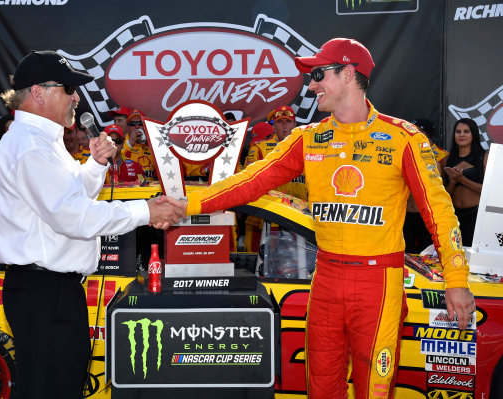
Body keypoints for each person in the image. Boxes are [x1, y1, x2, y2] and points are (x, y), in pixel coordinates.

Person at [177, 38, 474, 399]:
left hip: (379, 281)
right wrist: (184, 205)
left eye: (319, 74)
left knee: (375, 391)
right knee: (321, 386)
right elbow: (250, 182)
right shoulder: (309, 138)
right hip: (327, 277)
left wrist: (456, 278)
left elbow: (439, 211)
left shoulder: (403, 138)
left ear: (349, 74)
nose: (311, 84)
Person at [0, 50, 182, 399]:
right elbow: (73, 217)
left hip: (50, 289)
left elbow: (70, 200)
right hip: (44, 290)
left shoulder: (42, 142)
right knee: (51, 389)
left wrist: (94, 165)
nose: (77, 96)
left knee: (57, 385)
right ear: (39, 92)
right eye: (69, 88)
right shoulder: (31, 146)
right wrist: (146, 212)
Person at [443, 118, 488, 246]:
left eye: (466, 131)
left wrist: (461, 179)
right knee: (456, 255)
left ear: (473, 134)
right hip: (454, 216)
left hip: (476, 215)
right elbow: (445, 195)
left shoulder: (483, 157)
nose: (462, 134)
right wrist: (452, 182)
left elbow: (487, 191)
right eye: (458, 131)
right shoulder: (447, 160)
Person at [404, 118, 445, 253]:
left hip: (424, 216)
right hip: (405, 215)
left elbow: (436, 189)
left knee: (425, 255)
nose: (413, 133)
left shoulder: (432, 159)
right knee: (406, 253)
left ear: (426, 134)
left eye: (418, 131)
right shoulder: (404, 154)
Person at [121, 109, 157, 179]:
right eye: (132, 124)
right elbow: (115, 161)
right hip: (130, 189)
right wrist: (130, 143)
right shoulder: (120, 142)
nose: (137, 127)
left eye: (140, 123)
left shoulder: (154, 144)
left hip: (152, 188)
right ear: (127, 128)